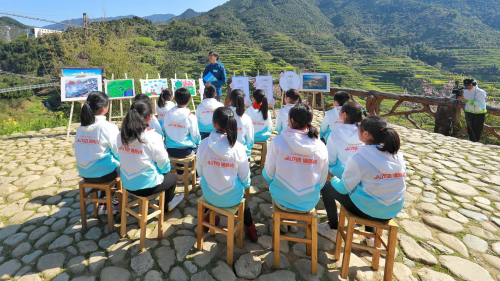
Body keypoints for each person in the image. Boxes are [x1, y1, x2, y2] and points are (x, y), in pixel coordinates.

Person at [319, 116, 406, 247]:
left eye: (359, 128)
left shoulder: (360, 156)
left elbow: (343, 188)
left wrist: (333, 178)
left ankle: (332, 227)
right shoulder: (397, 155)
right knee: (369, 190)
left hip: (367, 210)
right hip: (392, 211)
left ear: (366, 134)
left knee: (327, 187)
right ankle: (370, 237)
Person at [263, 103, 328, 232]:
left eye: (288, 118)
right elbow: (322, 179)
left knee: (278, 186)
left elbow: (268, 173)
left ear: (292, 120)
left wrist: (277, 184)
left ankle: (283, 224)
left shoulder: (278, 142)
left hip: (282, 200)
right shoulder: (321, 146)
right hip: (308, 202)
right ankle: (291, 225)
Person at [196, 107, 258, 241]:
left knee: (211, 187)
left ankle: (207, 219)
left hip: (209, 194)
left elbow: (199, 171)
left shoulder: (204, 144)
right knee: (243, 200)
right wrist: (245, 185)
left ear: (214, 123)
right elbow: (244, 178)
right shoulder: (239, 148)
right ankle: (251, 229)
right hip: (232, 197)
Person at [117, 101, 184, 211]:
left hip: (127, 183)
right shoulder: (152, 137)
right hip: (146, 186)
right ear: (149, 118)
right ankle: (166, 206)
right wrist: (164, 171)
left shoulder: (120, 135)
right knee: (172, 177)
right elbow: (164, 163)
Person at [74, 91, 120, 215]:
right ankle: (114, 202)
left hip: (84, 172)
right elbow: (118, 151)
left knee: (105, 163)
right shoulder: (108, 127)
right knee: (122, 167)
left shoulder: (80, 128)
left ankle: (103, 202)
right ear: (104, 108)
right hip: (104, 174)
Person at [327, 101, 365, 178]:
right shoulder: (365, 134)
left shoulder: (335, 134)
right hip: (362, 172)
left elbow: (330, 159)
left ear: (344, 115)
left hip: (340, 174)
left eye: (340, 110)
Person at [163, 88, 201, 158]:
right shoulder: (191, 117)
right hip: (186, 150)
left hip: (170, 149)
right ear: (189, 100)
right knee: (201, 149)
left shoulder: (168, 114)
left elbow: (164, 131)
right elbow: (195, 135)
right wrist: (198, 143)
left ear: (175, 99)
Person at [228, 89, 254, 158]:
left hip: (225, 151)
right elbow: (250, 139)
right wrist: (247, 148)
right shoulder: (246, 118)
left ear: (230, 99)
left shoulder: (223, 114)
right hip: (242, 153)